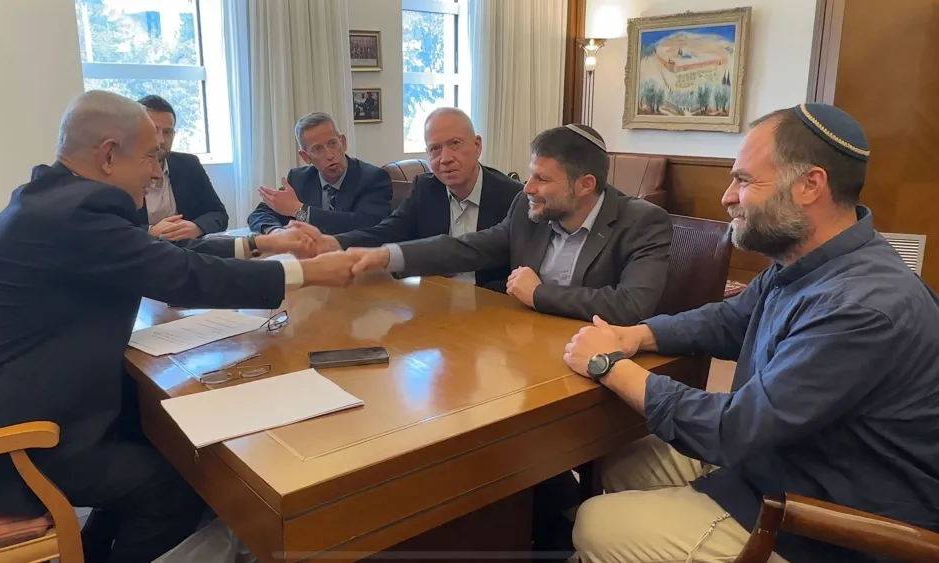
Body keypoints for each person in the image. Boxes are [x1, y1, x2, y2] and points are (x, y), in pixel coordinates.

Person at [0, 90, 358, 563]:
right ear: (109, 155)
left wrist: (260, 243)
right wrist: (305, 271)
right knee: (177, 483)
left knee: (149, 444)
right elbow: (181, 275)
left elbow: (157, 255)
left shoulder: (54, 204)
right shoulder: (74, 215)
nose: (158, 172)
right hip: (1, 447)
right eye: (151, 157)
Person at [563, 103, 939, 563]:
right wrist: (637, 336)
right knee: (619, 458)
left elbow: (734, 429)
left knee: (597, 524)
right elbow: (728, 320)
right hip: (784, 460)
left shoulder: (861, 306)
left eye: (744, 180)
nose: (727, 196)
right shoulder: (807, 261)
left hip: (826, 522)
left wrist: (608, 365)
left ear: (809, 185)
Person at [347, 124, 673, 325]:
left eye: (542, 178)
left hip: (596, 358)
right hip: (527, 343)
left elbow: (631, 305)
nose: (528, 187)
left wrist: (540, 294)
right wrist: (388, 256)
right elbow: (469, 248)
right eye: (530, 173)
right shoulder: (528, 208)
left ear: (585, 185)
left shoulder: (643, 221)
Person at [304, 107, 521, 291]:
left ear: (477, 146)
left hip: (492, 310)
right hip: (434, 301)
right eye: (435, 149)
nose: (445, 159)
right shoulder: (426, 188)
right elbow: (388, 230)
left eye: (454, 143)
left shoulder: (512, 197)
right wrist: (335, 242)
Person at [246, 112, 393, 235]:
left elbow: (365, 225)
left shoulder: (373, 178)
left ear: (343, 142)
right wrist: (277, 232)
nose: (329, 155)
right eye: (317, 149)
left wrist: (299, 210)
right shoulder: (299, 179)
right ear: (306, 157)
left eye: (333, 143)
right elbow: (260, 214)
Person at [135, 94, 229, 239]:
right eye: (154, 130)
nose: (161, 140)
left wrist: (197, 227)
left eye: (167, 132)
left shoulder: (189, 165)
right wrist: (150, 232)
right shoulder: (120, 171)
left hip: (189, 251)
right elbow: (110, 229)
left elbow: (218, 214)